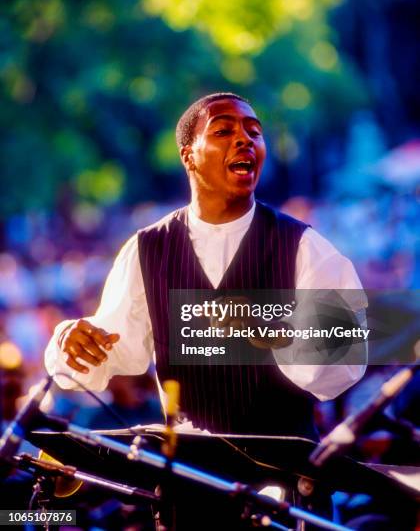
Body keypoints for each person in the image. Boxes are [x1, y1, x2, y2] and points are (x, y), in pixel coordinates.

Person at [45, 92, 366, 438]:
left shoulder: (305, 247)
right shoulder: (147, 249)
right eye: (223, 131)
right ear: (189, 156)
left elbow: (345, 361)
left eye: (254, 132)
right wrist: (69, 342)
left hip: (285, 476)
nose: (245, 139)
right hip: (187, 478)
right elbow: (113, 350)